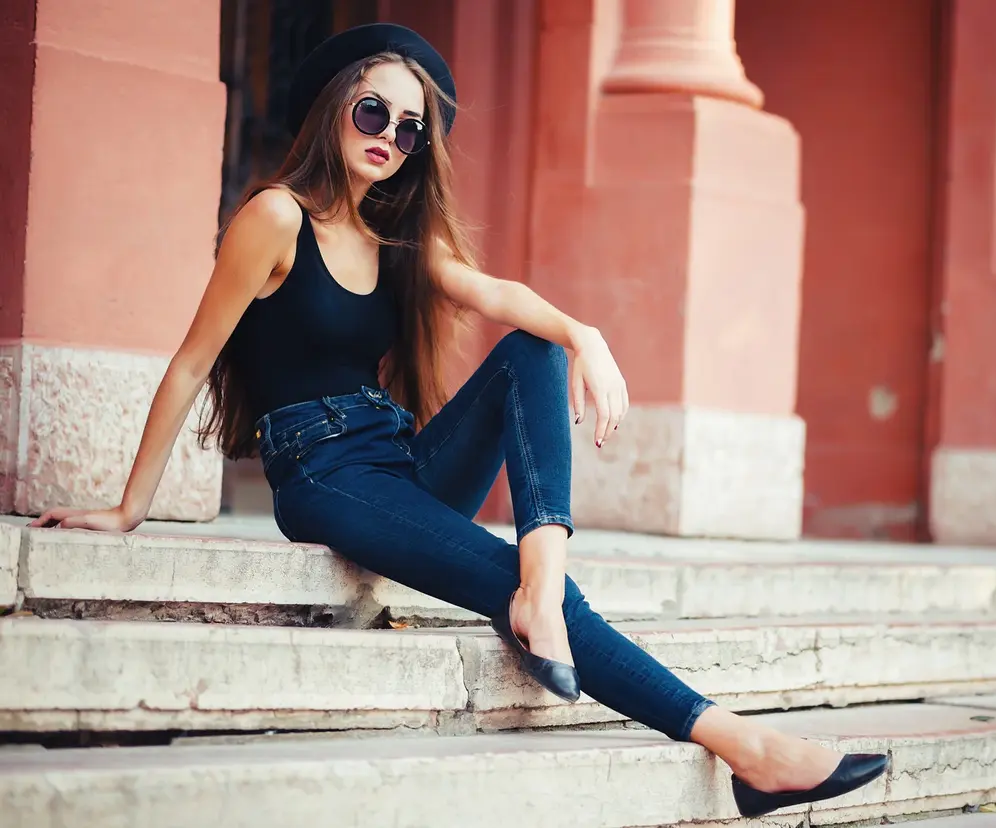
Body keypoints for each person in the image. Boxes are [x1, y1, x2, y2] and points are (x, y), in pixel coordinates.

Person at [30, 24, 886, 818]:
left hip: (398, 461)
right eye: (374, 112)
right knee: (500, 573)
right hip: (325, 476)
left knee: (536, 351)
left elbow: (498, 297)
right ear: (336, 106)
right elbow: (190, 361)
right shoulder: (276, 217)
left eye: (408, 129)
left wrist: (586, 334)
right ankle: (742, 744)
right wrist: (128, 507)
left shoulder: (392, 239)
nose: (388, 137)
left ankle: (542, 592)